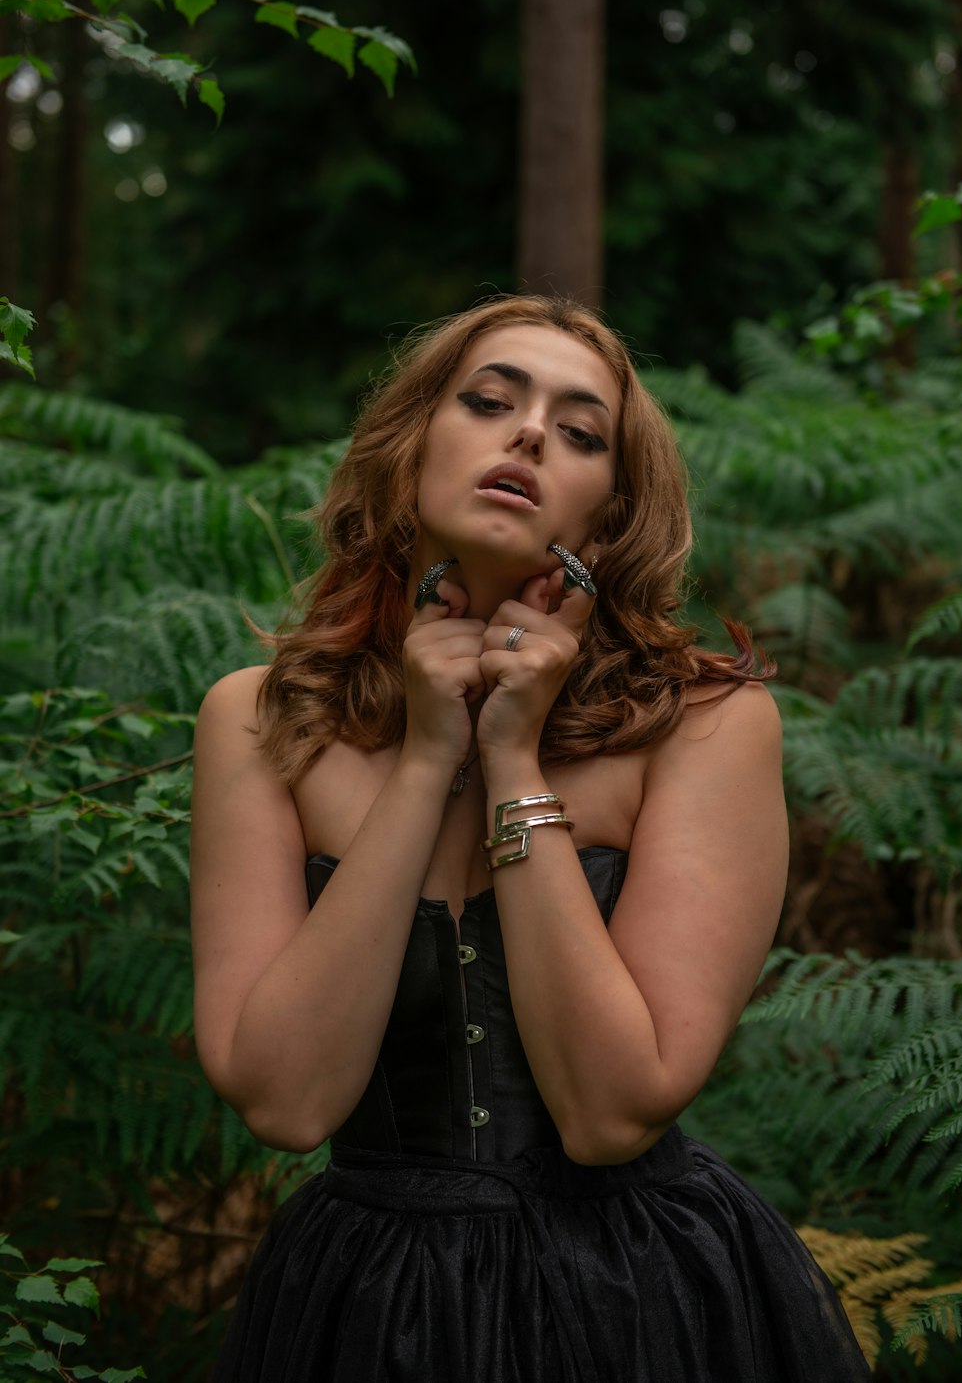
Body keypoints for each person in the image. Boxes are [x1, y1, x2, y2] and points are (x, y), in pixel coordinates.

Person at [191, 294, 870, 1381]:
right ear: (411, 442)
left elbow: (610, 1111)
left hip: (636, 1302)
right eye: (490, 399)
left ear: (608, 514)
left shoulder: (705, 725)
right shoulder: (258, 718)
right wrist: (423, 759)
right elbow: (287, 1098)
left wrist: (510, 755)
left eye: (580, 431)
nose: (528, 434)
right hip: (367, 1310)